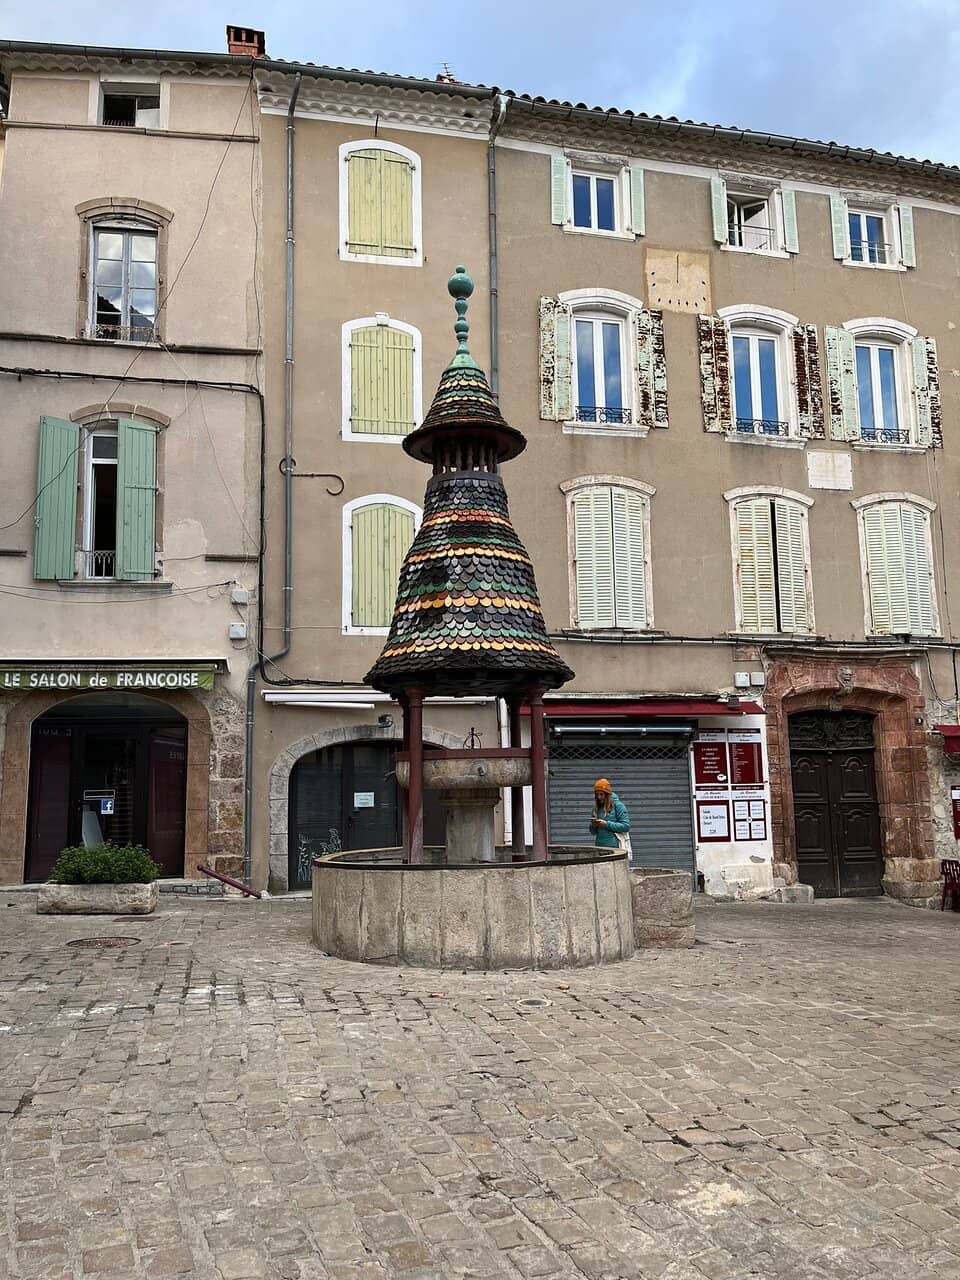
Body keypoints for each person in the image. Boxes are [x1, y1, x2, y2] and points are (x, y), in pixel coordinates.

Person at [589, 778, 631, 849]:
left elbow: (626, 826)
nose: (599, 797)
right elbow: (593, 832)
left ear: (607, 794)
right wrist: (593, 825)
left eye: (601, 794)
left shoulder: (618, 805)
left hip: (615, 849)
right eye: (597, 794)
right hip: (599, 847)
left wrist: (606, 824)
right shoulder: (596, 807)